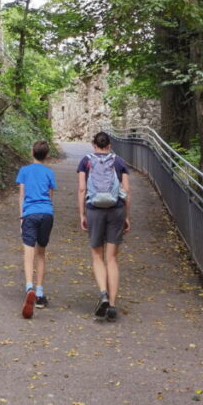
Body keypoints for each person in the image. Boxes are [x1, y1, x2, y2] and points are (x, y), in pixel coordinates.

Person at [77, 130, 131, 321]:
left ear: (94, 145)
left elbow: (82, 189)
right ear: (110, 145)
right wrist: (126, 216)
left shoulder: (86, 161)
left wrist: (82, 213)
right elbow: (126, 191)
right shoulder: (119, 162)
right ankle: (113, 304)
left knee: (97, 256)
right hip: (116, 209)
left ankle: (103, 294)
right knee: (112, 258)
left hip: (94, 210)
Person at [16, 139, 56, 319]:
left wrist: (22, 217)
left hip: (30, 214)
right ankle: (39, 294)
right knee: (41, 253)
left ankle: (29, 288)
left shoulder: (24, 171)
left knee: (28, 254)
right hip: (46, 214)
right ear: (46, 155)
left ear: (32, 152)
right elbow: (50, 196)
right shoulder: (49, 173)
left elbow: (22, 196)